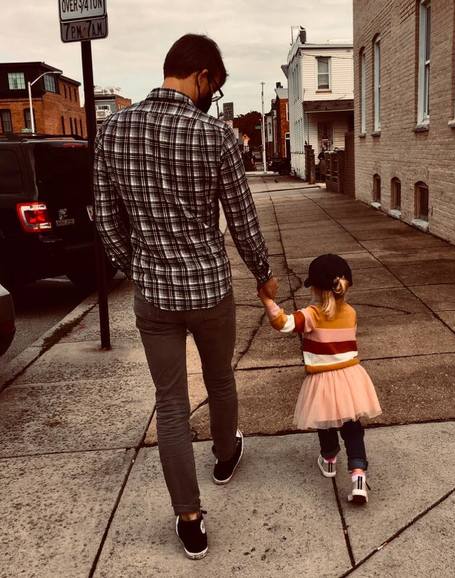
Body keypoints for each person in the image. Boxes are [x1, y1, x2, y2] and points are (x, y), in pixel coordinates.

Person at [94, 33, 278, 560]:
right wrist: (263, 275)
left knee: (170, 403)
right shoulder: (215, 136)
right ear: (200, 77)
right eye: (213, 90)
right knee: (219, 378)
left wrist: (137, 267)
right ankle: (224, 456)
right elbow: (242, 220)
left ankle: (190, 519)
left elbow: (104, 217)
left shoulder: (114, 131)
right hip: (210, 289)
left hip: (154, 295)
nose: (212, 100)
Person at [258, 254, 381, 504]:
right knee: (353, 427)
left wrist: (267, 299)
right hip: (350, 377)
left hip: (323, 379)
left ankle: (329, 459)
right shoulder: (351, 313)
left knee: (325, 422)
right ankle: (358, 475)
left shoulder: (311, 314)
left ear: (315, 288)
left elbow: (282, 323)